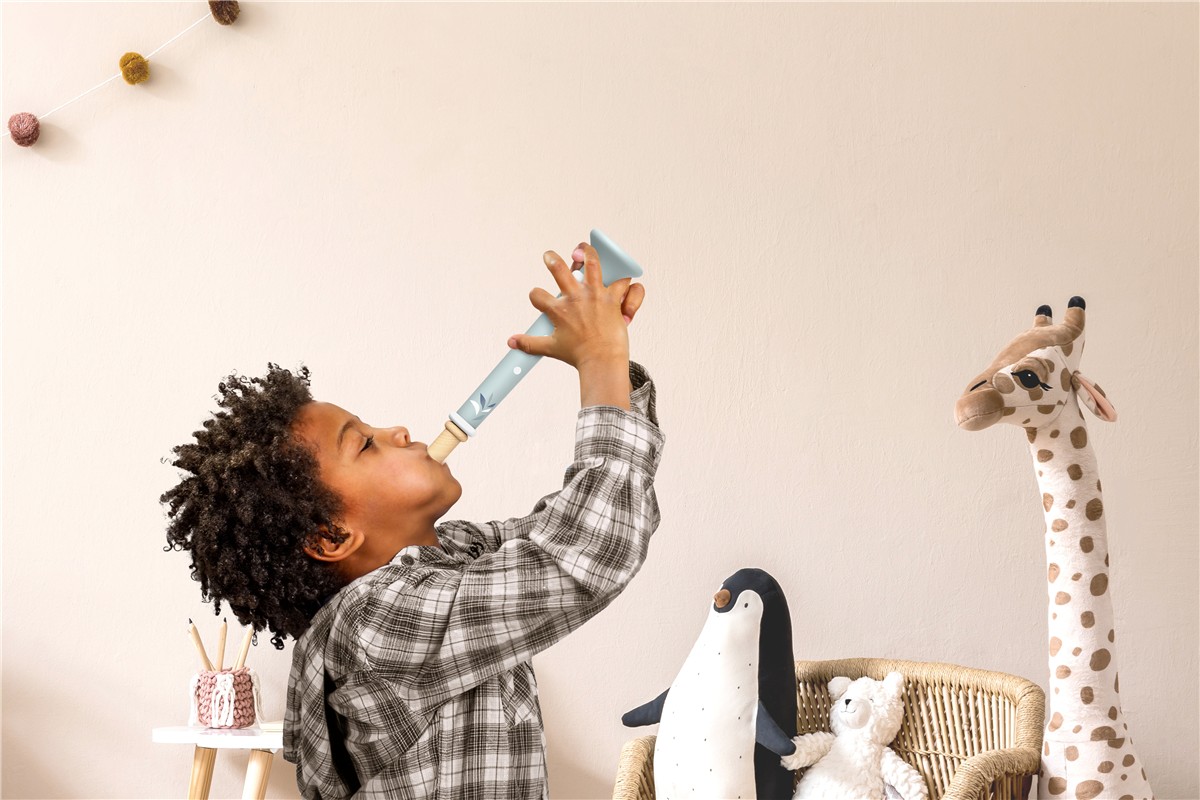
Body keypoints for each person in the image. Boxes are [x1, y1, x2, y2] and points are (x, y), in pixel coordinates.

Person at [161, 241, 665, 799]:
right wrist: (599, 359)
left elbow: (586, 524)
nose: (397, 431)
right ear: (331, 535)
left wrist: (608, 360)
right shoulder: (376, 619)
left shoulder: (451, 554)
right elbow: (585, 556)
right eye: (365, 444)